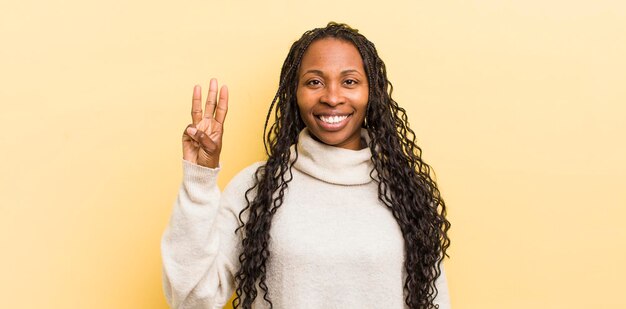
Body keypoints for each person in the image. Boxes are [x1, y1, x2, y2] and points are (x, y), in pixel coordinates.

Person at [161, 22, 451, 309]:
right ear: (295, 94)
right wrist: (199, 178)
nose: (332, 97)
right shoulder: (257, 187)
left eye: (349, 81)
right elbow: (191, 300)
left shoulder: (406, 194)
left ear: (371, 93)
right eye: (314, 82)